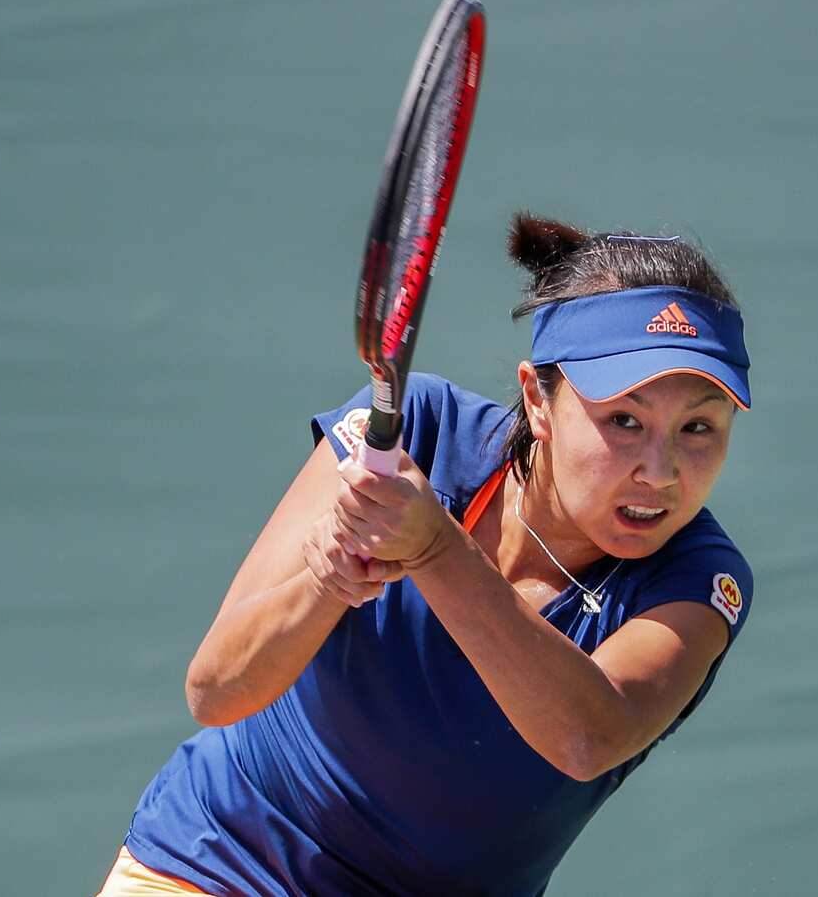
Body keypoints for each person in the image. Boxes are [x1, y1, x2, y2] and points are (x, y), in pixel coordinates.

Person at [97, 212, 755, 896]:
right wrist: (329, 575)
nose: (662, 470)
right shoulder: (419, 429)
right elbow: (215, 689)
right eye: (625, 419)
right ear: (538, 400)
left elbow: (588, 736)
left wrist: (436, 548)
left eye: (699, 427)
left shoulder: (700, 580)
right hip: (220, 859)